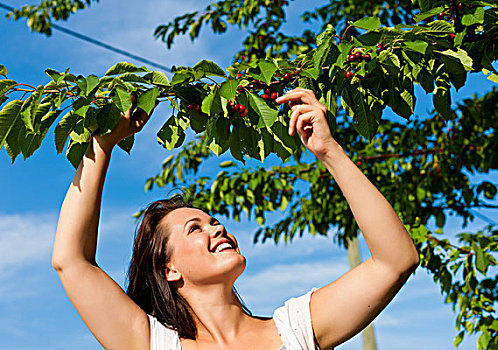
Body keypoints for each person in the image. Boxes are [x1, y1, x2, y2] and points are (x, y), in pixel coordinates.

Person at [51, 87, 420, 350]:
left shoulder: (295, 331)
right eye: (195, 228)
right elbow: (71, 261)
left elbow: (395, 261)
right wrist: (101, 144)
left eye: (214, 221)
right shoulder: (154, 344)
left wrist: (329, 152)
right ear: (169, 270)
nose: (218, 228)